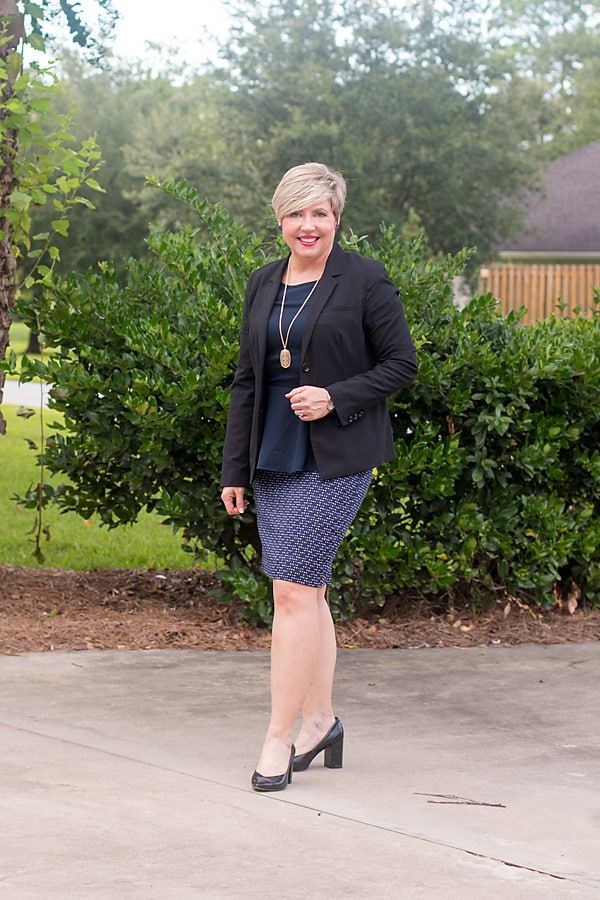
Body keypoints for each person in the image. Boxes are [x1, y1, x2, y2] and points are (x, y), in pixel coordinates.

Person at [220, 162, 417, 792]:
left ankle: (279, 738)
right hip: (274, 454)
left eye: (320, 214)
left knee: (290, 594)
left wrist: (335, 396)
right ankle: (322, 721)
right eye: (296, 213)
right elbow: (249, 381)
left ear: (337, 219)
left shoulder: (363, 279)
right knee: (309, 593)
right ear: (279, 220)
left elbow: (401, 364)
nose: (309, 226)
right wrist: (234, 469)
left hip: (337, 454)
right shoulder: (262, 283)